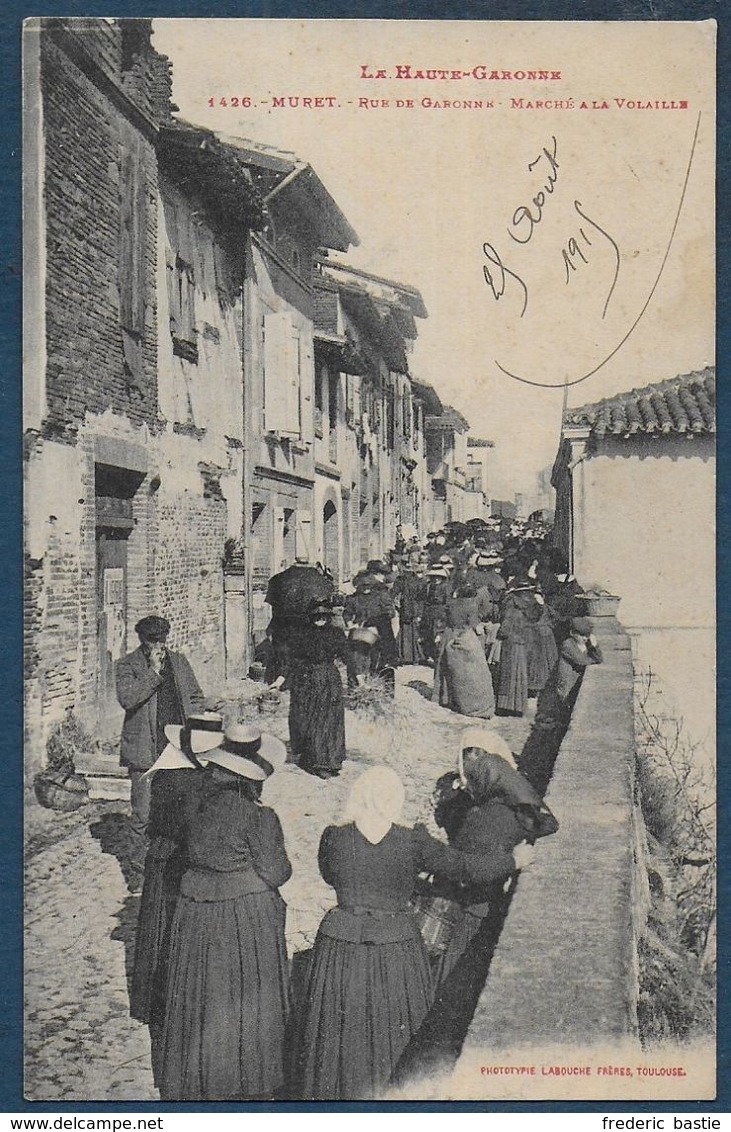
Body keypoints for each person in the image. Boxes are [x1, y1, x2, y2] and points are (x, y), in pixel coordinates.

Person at [296, 765, 526, 1100]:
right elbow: (465, 867)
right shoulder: (412, 841)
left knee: (342, 1022)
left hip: (341, 939)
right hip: (396, 942)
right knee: (396, 1023)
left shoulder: (334, 837)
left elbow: (330, 876)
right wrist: (512, 861)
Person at [158, 726, 292, 1101]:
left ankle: (199, 1072)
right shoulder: (258, 817)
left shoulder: (194, 807)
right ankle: (243, 1073)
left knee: (205, 992)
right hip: (240, 918)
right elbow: (276, 871)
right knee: (241, 994)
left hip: (194, 913)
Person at [129, 713, 224, 1081]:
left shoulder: (169, 768)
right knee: (170, 930)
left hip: (161, 858)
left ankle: (150, 1001)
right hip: (176, 860)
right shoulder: (191, 777)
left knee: (157, 928)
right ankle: (166, 1001)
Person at [432, 728, 557, 983]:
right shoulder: (514, 800)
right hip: (480, 900)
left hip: (464, 901)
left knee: (446, 971)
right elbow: (547, 822)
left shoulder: (474, 807)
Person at [115, 615, 206, 886]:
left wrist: (195, 724)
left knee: (180, 811)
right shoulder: (127, 665)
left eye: (162, 639)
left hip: (176, 750)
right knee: (142, 815)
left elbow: (196, 696)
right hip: (145, 751)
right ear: (142, 640)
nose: (158, 645)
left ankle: (178, 868)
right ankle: (136, 874)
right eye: (152, 640)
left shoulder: (179, 662)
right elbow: (127, 699)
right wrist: (153, 672)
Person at [289, 597, 348, 778]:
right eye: (316, 617)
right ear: (311, 617)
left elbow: (347, 656)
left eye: (323, 616)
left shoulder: (336, 634)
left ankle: (333, 760)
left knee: (332, 719)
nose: (320, 620)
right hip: (309, 679)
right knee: (313, 718)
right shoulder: (302, 634)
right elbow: (293, 659)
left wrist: (360, 680)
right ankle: (317, 760)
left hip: (330, 678)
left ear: (328, 617)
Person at [432, 589, 495, 719]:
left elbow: (442, 620)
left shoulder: (450, 604)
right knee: (466, 670)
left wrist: (439, 633)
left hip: (448, 634)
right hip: (464, 636)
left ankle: (443, 698)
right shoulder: (471, 606)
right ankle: (462, 700)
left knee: (444, 666)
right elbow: (475, 626)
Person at [535, 616, 604, 730]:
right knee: (566, 712)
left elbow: (599, 659)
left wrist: (594, 646)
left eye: (587, 635)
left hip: (574, 680)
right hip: (567, 684)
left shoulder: (585, 644)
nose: (585, 638)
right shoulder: (567, 644)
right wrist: (593, 659)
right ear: (572, 633)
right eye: (582, 635)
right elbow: (582, 661)